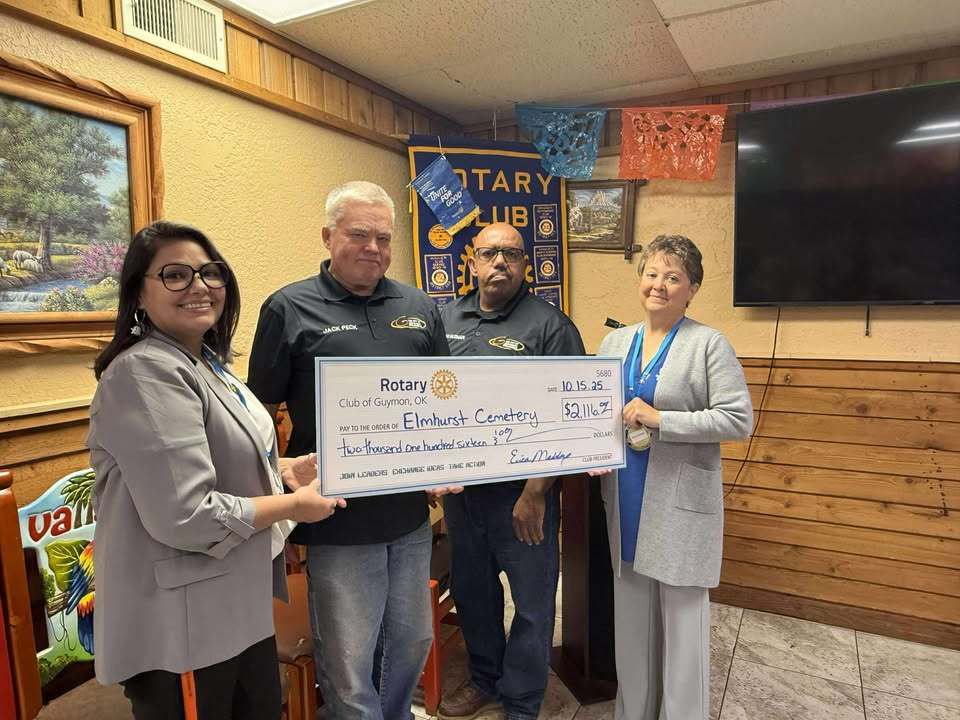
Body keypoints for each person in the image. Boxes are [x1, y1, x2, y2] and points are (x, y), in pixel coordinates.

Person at [87, 221, 344, 720]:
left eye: (210, 272)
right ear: (139, 293)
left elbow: (218, 458)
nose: (200, 286)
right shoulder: (145, 373)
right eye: (176, 275)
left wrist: (285, 470)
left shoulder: (205, 361)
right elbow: (187, 514)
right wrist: (293, 505)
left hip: (233, 602)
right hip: (181, 622)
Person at [247, 181, 457, 720]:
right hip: (336, 521)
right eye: (358, 234)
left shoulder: (417, 305)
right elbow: (254, 418)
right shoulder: (287, 307)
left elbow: (445, 396)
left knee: (412, 642)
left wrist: (446, 464)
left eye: (383, 238)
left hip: (409, 515)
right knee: (347, 660)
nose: (373, 248)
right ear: (327, 236)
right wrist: (281, 485)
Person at [590, 234, 752, 720]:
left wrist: (662, 420)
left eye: (673, 277)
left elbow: (737, 419)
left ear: (692, 289)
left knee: (682, 629)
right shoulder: (614, 343)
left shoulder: (708, 344)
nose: (658, 285)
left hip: (680, 507)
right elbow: (597, 414)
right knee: (633, 626)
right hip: (626, 499)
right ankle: (633, 712)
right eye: (652, 274)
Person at [438, 223, 585, 720]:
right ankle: (484, 679)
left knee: (532, 603)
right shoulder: (444, 318)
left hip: (522, 497)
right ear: (472, 262)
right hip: (462, 494)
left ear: (526, 264)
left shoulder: (550, 326)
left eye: (511, 254)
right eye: (490, 253)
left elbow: (570, 416)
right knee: (474, 594)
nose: (500, 262)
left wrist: (537, 491)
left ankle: (521, 702)